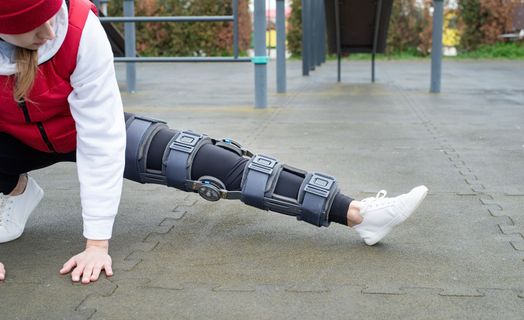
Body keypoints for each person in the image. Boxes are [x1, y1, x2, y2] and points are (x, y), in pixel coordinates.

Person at [0, 0, 428, 284]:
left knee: (204, 161)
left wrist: (97, 244)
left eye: (51, 17)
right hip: (10, 142)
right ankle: (15, 189)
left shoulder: (78, 27)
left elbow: (101, 139)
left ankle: (358, 214)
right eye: (32, 28)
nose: (48, 31)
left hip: (81, 128)